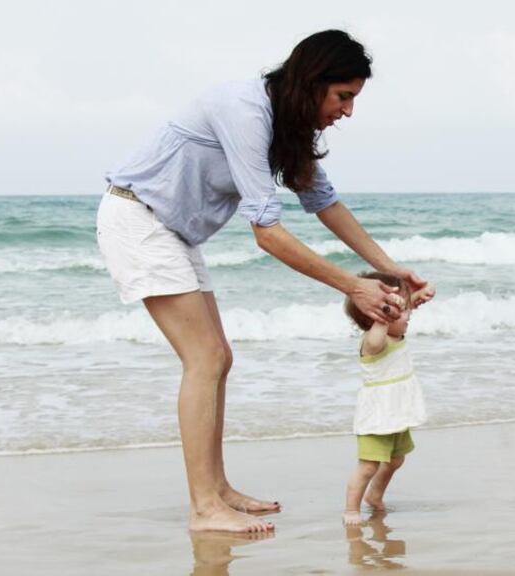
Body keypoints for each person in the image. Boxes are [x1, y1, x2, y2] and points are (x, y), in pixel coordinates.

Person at [96, 30, 433, 533]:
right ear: (311, 82)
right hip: (139, 219)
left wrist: (390, 270)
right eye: (343, 96)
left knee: (219, 358)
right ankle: (204, 507)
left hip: (174, 232)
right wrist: (351, 286)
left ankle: (219, 490)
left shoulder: (287, 125)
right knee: (204, 358)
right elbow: (267, 234)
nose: (347, 112)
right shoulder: (245, 111)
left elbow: (324, 202)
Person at [341, 272, 432, 526]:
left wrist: (417, 296)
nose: (408, 315)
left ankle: (375, 495)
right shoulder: (375, 341)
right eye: (400, 310)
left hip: (398, 411)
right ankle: (351, 508)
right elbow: (380, 330)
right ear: (379, 315)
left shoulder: (396, 332)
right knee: (368, 466)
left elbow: (404, 309)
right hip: (378, 415)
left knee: (396, 459)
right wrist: (385, 315)